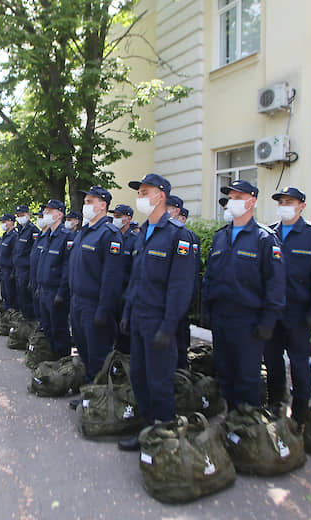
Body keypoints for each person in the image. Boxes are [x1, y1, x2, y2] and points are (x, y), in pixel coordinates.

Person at [118, 175, 196, 451]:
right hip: (138, 317)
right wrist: (127, 311)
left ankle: (164, 439)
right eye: (139, 192)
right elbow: (135, 279)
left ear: (160, 195)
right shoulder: (144, 232)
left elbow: (181, 286)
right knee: (138, 375)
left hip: (160, 322)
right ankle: (147, 429)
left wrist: (168, 326)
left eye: (145, 192)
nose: (140, 197)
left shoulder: (178, 235)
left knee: (160, 381)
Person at [202, 180, 286, 409]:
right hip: (222, 318)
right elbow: (210, 276)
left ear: (252, 201)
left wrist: (268, 322)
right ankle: (231, 424)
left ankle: (248, 429)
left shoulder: (264, 239)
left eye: (239, 198)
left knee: (248, 378)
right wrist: (207, 310)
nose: (233, 202)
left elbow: (275, 285)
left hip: (249, 321)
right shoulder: (221, 237)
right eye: (231, 198)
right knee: (225, 373)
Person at [266, 187, 311, 427]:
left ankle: (301, 408)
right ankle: (275, 402)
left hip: (299, 314)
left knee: (299, 362)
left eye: (290, 201)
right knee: (272, 360)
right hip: (273, 313)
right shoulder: (269, 234)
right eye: (281, 201)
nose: (285, 205)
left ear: (301, 205)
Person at [68, 186, 124, 389]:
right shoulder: (85, 232)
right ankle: (89, 394)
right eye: (85, 202)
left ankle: (98, 398)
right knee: (83, 351)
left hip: (94, 306)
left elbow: (112, 277)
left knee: (98, 354)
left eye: (90, 202)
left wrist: (104, 309)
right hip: (77, 303)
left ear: (103, 206)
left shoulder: (109, 234)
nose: (86, 206)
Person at [35, 199, 74, 358]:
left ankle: (62, 361)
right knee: (47, 327)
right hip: (44, 289)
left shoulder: (66, 236)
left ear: (59, 214)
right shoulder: (47, 236)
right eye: (45, 212)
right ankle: (52, 359)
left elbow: (67, 267)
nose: (45, 215)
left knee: (59, 329)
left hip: (56, 292)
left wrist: (62, 293)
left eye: (49, 212)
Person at [171, 205, 201, 369]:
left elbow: (192, 268)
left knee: (181, 333)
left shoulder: (188, 236)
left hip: (183, 295)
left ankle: (182, 366)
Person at [110, 203, 137, 354]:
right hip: (111, 293)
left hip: (125, 295)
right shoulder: (111, 237)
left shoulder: (134, 240)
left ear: (128, 219)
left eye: (118, 217)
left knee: (125, 337)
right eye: (114, 217)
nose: (115, 220)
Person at [12, 205, 40, 319]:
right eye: (18, 216)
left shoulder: (33, 230)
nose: (20, 218)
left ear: (28, 215)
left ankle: (30, 320)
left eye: (22, 215)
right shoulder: (20, 230)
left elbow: (35, 253)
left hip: (27, 270)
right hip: (18, 269)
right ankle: (24, 318)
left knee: (27, 297)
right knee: (20, 296)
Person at [29, 206, 49, 321]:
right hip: (34, 277)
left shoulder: (50, 236)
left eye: (42, 217)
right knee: (36, 307)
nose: (39, 219)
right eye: (38, 217)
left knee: (44, 313)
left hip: (44, 281)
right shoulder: (40, 235)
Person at [0, 213, 18, 310]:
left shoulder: (14, 236)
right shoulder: (5, 235)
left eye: (5, 222)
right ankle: (5, 314)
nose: (2, 224)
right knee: (4, 293)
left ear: (11, 222)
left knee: (10, 295)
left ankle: (11, 315)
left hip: (9, 270)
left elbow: (15, 255)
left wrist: (13, 272)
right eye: (2, 222)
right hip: (2, 269)